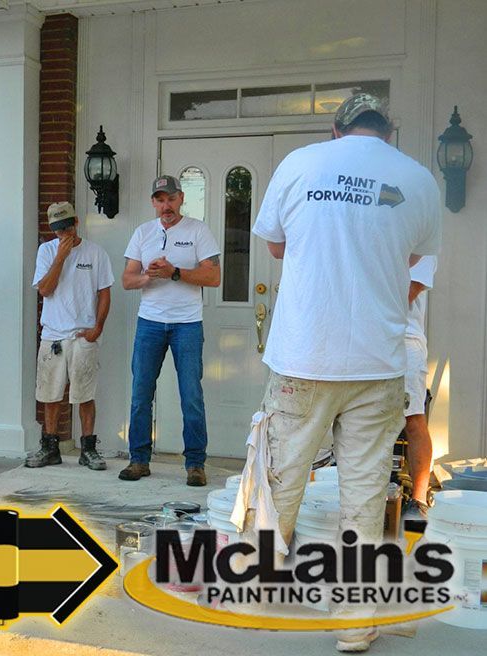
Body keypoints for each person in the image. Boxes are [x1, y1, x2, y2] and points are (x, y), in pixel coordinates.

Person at [250, 93, 441, 653]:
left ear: (337, 129)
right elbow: (411, 260)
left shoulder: (300, 163)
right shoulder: (418, 179)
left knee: (280, 477)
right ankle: (355, 621)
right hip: (377, 362)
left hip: (303, 357)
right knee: (363, 488)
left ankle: (260, 590)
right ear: (389, 130)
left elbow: (276, 245)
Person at [120, 175, 221, 486]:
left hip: (187, 324)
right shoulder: (142, 232)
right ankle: (139, 460)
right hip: (150, 322)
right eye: (160, 199)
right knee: (140, 395)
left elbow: (213, 277)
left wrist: (174, 272)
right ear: (153, 202)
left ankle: (195, 464)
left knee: (191, 394)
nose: (166, 205)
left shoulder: (198, 230)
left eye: (171, 199)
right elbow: (127, 280)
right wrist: (150, 276)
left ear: (181, 199)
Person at [26, 202, 113, 470]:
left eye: (66, 227)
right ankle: (50, 448)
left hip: (82, 334)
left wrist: (97, 328)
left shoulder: (96, 253)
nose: (62, 234)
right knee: (50, 394)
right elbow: (45, 290)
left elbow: (105, 293)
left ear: (76, 222)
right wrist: (60, 258)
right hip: (53, 334)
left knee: (84, 394)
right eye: (56, 229)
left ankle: (88, 448)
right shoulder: (47, 251)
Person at [404, 255, 438, 517]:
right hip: (364, 343)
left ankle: (418, 501)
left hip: (405, 341)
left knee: (413, 419)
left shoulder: (423, 242)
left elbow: (408, 293)